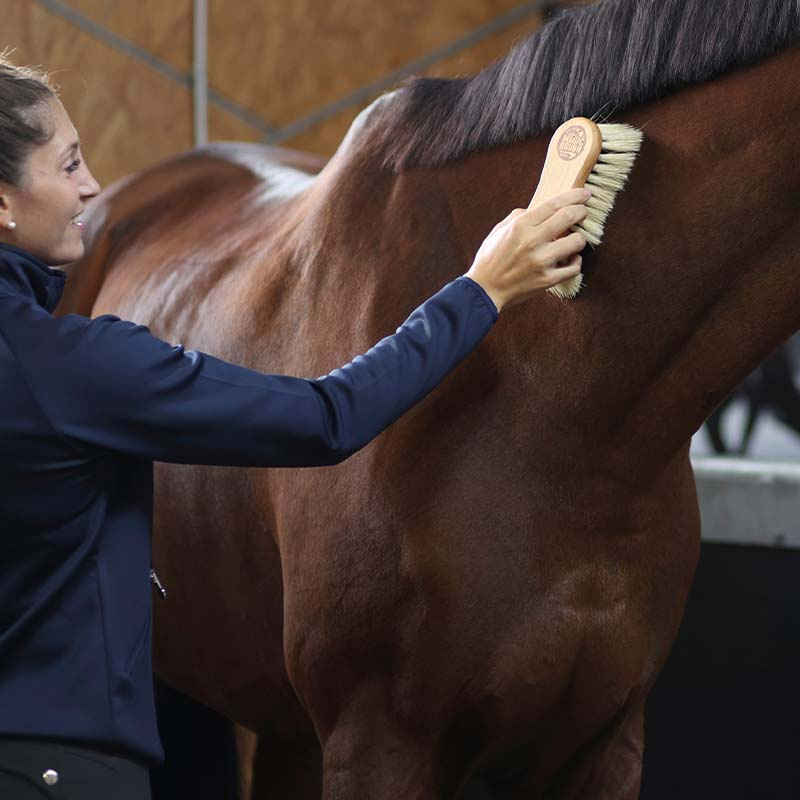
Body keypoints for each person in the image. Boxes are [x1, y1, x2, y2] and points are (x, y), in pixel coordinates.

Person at [0, 55, 589, 799]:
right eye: (70, 163)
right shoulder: (72, 367)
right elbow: (324, 417)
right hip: (60, 770)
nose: (91, 185)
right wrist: (483, 289)